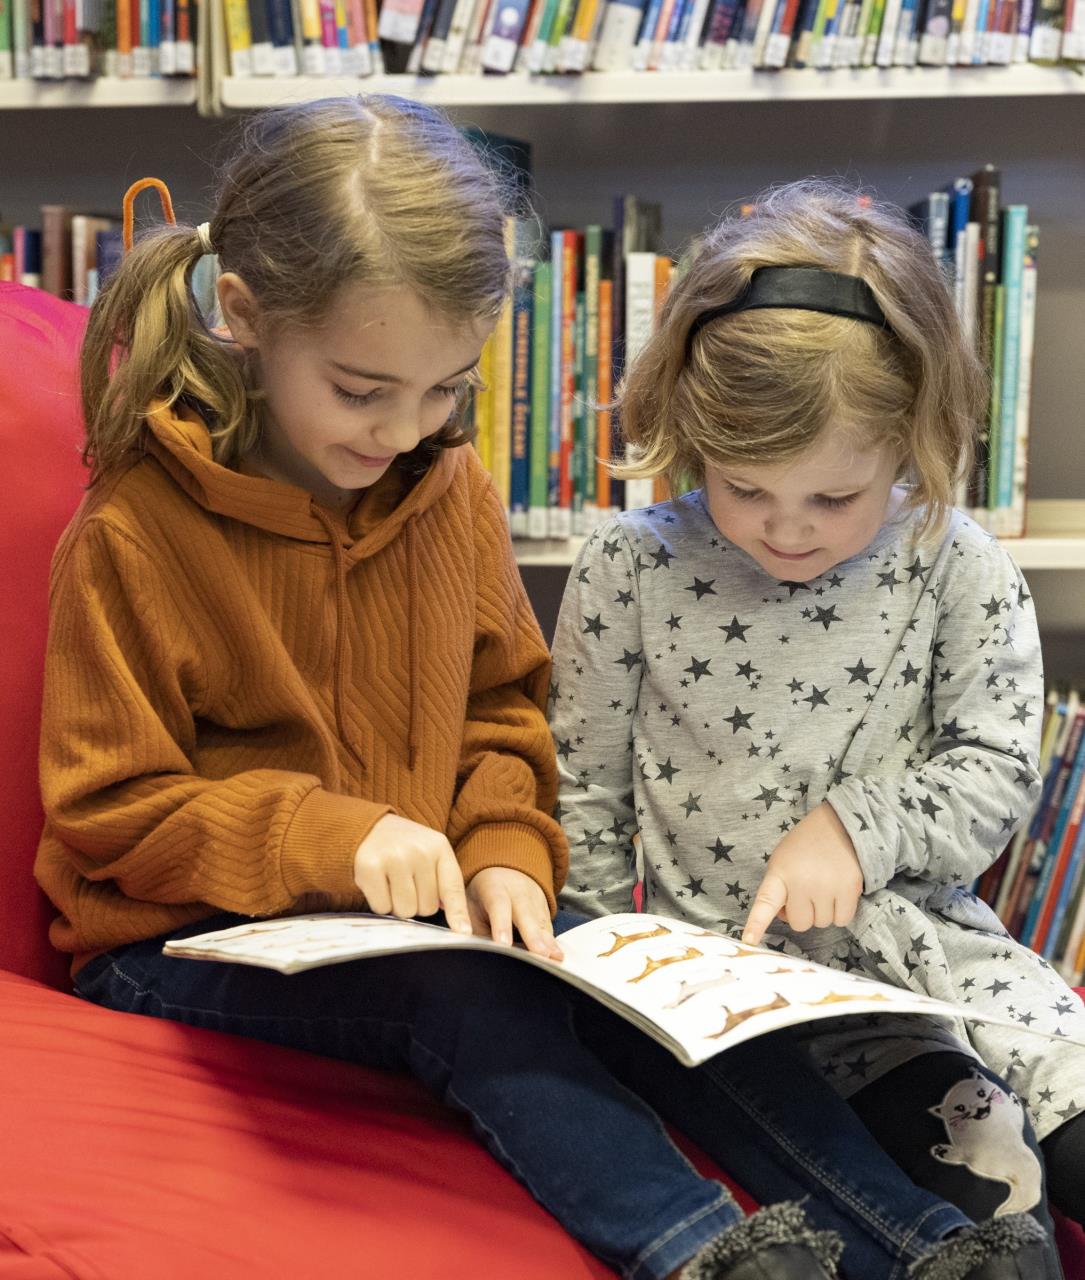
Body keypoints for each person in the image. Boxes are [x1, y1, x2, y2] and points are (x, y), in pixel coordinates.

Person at [37, 97, 1014, 1280]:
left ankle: (924, 1246)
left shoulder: (445, 494)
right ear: (244, 315)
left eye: (445, 390)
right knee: (465, 997)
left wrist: (504, 840)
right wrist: (335, 837)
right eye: (360, 390)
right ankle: (701, 1253)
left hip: (410, 913)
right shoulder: (136, 529)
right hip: (192, 938)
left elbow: (503, 710)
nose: (404, 431)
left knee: (653, 980)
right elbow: (110, 807)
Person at [550, 179, 1085, 1278]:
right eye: (741, 487)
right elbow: (582, 798)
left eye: (833, 500)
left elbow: (992, 771)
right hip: (729, 1003)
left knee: (1064, 1101)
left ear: (912, 442)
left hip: (930, 972)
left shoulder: (955, 564)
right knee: (994, 1215)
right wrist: (607, 977)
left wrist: (855, 827)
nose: (783, 529)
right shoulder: (631, 565)